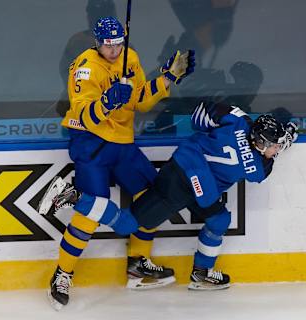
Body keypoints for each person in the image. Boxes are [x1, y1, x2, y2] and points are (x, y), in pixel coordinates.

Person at [39, 16, 195, 310]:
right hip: (92, 143)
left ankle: (137, 265)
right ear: (97, 43)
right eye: (108, 45)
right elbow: (84, 114)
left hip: (123, 143)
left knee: (154, 199)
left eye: (118, 44)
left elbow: (139, 100)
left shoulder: (129, 57)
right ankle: (63, 274)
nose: (113, 50)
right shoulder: (85, 68)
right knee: (91, 215)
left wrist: (166, 79)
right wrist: (107, 103)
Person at [128, 100, 298, 290]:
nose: (277, 150)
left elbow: (202, 113)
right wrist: (287, 139)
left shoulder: (239, 120)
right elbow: (267, 163)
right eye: (275, 146)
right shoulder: (257, 168)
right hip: (184, 179)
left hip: (192, 176)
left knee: (219, 220)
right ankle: (134, 266)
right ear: (261, 143)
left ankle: (202, 273)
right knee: (136, 219)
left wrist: (208, 131)